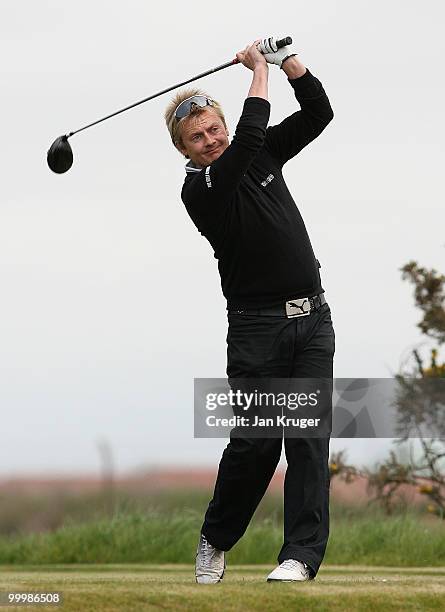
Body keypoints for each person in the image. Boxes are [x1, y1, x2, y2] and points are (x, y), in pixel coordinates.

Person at [164, 37, 335, 584]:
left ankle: (300, 558)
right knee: (256, 446)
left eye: (213, 127)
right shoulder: (202, 189)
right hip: (256, 330)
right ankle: (216, 537)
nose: (211, 139)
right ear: (185, 150)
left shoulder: (257, 149)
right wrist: (256, 71)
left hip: (312, 321)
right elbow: (251, 132)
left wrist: (287, 59)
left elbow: (318, 112)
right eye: (198, 137)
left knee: (307, 441)